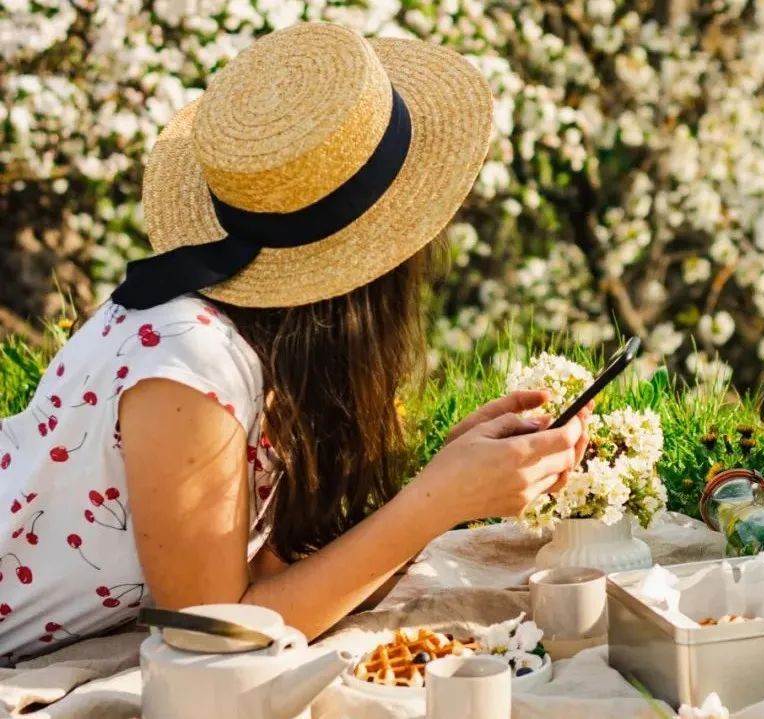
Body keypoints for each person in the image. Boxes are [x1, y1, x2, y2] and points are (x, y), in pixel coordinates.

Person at [0, 22, 588, 662]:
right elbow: (214, 635)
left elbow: (282, 588)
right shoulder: (187, 361)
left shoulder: (262, 348)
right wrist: (434, 502)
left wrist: (445, 487)